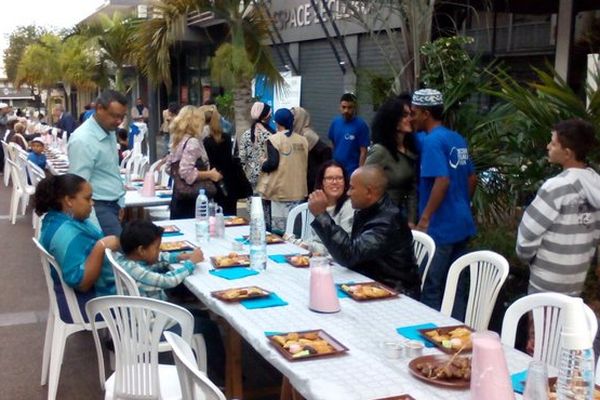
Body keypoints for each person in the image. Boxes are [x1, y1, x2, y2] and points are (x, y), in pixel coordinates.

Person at [116, 219, 226, 384]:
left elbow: (158, 259)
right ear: (141, 250)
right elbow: (168, 280)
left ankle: (204, 362)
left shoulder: (127, 261)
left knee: (200, 314)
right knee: (208, 327)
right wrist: (190, 263)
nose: (158, 251)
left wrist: (180, 256)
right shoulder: (137, 270)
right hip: (153, 327)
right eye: (156, 247)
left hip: (147, 319)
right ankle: (224, 378)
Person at [411, 88, 477, 317]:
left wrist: (425, 218)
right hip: (462, 223)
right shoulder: (456, 138)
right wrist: (461, 202)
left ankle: (430, 334)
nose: (411, 118)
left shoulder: (432, 143)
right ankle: (457, 332)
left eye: (414, 113)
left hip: (440, 228)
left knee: (431, 285)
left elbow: (442, 180)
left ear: (426, 113)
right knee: (456, 285)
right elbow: (471, 177)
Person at [517, 119, 600, 296]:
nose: (548, 146)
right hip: (576, 280)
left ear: (567, 153)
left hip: (546, 281)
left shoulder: (556, 187)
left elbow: (527, 234)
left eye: (553, 143)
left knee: (540, 324)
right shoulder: (596, 184)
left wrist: (528, 259)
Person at [308, 165, 419, 297]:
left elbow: (349, 255)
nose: (348, 193)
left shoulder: (387, 221)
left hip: (396, 291)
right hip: (367, 280)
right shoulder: (368, 210)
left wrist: (322, 216)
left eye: (352, 188)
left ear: (369, 192)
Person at [35, 174, 120, 319]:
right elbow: (82, 283)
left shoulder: (54, 219)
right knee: (153, 295)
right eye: (87, 198)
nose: (92, 203)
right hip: (88, 304)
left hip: (71, 298)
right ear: (68, 200)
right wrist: (101, 246)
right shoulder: (68, 233)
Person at [68, 89, 128, 236]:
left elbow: (112, 169)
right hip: (98, 207)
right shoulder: (83, 140)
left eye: (122, 117)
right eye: (115, 116)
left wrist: (120, 202)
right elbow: (78, 187)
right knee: (116, 255)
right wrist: (94, 226)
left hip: (113, 203)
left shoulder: (110, 130)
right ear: (99, 108)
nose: (119, 121)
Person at [366, 94, 419, 224]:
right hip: (379, 218)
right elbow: (363, 184)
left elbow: (411, 189)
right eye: (404, 115)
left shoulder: (409, 150)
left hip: (400, 217)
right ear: (393, 121)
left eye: (410, 114)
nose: (409, 119)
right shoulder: (380, 151)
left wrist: (411, 221)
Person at [166, 105, 223, 219]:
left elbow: (169, 168)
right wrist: (210, 174)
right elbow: (187, 173)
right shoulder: (193, 142)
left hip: (178, 196)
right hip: (193, 200)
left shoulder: (177, 140)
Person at [257, 108, 308, 233]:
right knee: (295, 231)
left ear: (277, 122)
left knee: (277, 233)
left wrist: (263, 163)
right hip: (299, 191)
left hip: (279, 191)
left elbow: (272, 164)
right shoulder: (303, 141)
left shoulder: (274, 139)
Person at [289, 160, 353, 255]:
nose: (335, 182)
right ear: (322, 182)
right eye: (329, 178)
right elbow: (317, 239)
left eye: (339, 178)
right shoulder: (318, 204)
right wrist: (304, 244)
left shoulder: (349, 206)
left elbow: (343, 246)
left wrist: (309, 247)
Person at [202, 104, 250, 215]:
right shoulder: (226, 137)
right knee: (229, 218)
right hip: (229, 182)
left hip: (213, 181)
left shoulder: (205, 141)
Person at [328, 93, 370, 176]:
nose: (346, 111)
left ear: (354, 108)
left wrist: (359, 173)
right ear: (340, 107)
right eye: (343, 107)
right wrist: (331, 164)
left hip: (352, 171)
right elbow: (332, 144)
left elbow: (363, 152)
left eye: (349, 107)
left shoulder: (361, 125)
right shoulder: (335, 123)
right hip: (337, 169)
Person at [292, 106, 332, 192]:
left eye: (293, 116)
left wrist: (322, 172)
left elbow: (326, 150)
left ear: (299, 118)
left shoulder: (307, 134)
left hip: (312, 177)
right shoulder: (297, 132)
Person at [238, 101, 275, 192]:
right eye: (270, 114)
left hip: (251, 178)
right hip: (268, 177)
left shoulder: (246, 134)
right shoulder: (271, 135)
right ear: (266, 116)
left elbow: (242, 159)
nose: (271, 116)